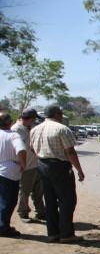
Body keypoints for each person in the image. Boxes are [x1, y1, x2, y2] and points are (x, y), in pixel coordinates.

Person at [30, 104, 85, 243]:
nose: (61, 116)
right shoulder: (62, 129)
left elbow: (32, 149)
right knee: (67, 201)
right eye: (60, 114)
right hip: (60, 167)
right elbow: (70, 152)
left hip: (43, 165)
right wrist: (79, 170)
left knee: (50, 201)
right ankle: (66, 234)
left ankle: (53, 233)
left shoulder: (35, 129)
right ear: (56, 115)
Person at [11, 108, 46, 222]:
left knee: (38, 191)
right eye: (34, 119)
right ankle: (23, 213)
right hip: (26, 166)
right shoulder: (17, 129)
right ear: (31, 119)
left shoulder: (28, 128)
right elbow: (16, 150)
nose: (35, 121)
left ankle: (40, 212)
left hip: (35, 164)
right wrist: (22, 164)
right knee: (25, 191)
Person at [0, 112, 27, 237]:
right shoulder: (13, 136)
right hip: (9, 172)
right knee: (8, 201)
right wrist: (23, 164)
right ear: (10, 123)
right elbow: (21, 150)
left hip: (3, 170)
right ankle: (3, 227)